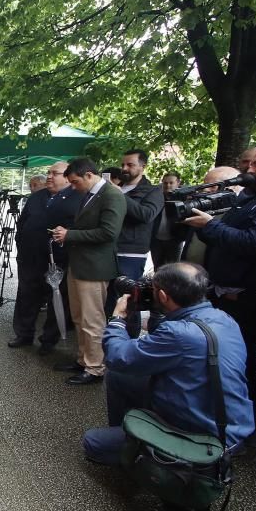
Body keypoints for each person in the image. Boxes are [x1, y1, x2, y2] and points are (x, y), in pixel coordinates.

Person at [81, 263, 254, 511]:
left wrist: (116, 320)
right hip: (230, 428)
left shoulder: (179, 334)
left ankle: (142, 456)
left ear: (162, 296)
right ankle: (133, 438)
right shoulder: (224, 319)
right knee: (121, 378)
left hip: (197, 435)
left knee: (93, 443)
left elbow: (118, 356)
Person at [183, 142, 256, 435]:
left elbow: (254, 243)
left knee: (241, 360)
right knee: (222, 359)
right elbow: (227, 240)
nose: (249, 169)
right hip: (226, 291)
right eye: (248, 164)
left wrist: (210, 225)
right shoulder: (251, 198)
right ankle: (219, 419)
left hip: (253, 297)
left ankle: (245, 428)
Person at [51, 157, 127, 385]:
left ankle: (95, 367)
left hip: (95, 267)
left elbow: (108, 233)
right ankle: (84, 359)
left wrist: (70, 235)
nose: (73, 187)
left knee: (92, 319)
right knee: (79, 316)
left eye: (75, 182)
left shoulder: (112, 195)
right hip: (81, 263)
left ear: (89, 175)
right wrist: (68, 232)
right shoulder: (91, 195)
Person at [11, 161, 82, 353]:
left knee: (56, 300)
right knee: (27, 295)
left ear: (67, 177)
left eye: (55, 173)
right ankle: (23, 334)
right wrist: (21, 246)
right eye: (48, 172)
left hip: (58, 259)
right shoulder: (37, 197)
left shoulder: (78, 198)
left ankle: (48, 340)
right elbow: (22, 222)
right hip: (30, 256)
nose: (49, 176)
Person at [108, 149, 164, 336]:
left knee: (129, 299)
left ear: (142, 166)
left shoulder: (154, 191)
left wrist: (119, 195)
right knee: (109, 298)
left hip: (131, 252)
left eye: (130, 164)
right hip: (108, 250)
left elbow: (145, 215)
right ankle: (111, 338)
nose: (124, 168)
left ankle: (130, 343)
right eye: (123, 164)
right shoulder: (115, 187)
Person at [150, 172, 188, 269]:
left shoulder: (184, 197)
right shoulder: (156, 196)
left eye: (171, 183)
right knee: (157, 267)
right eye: (165, 183)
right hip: (156, 240)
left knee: (173, 268)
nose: (168, 185)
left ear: (178, 182)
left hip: (174, 239)